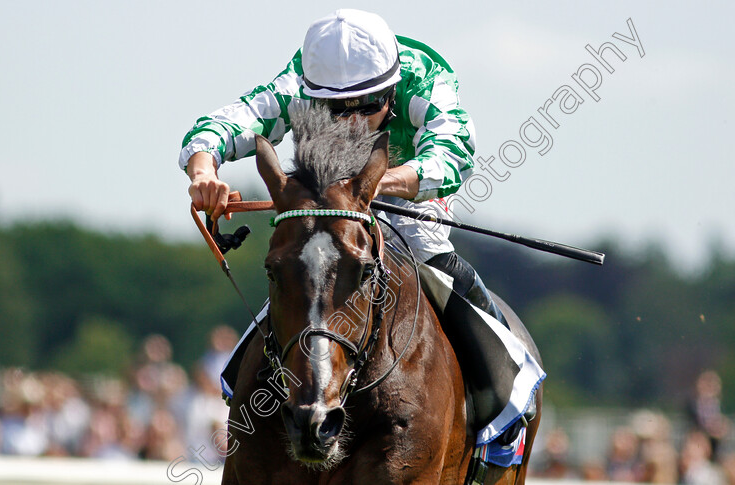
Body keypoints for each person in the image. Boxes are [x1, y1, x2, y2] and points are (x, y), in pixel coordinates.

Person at [180, 8, 545, 464]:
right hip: (329, 211)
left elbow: (455, 151)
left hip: (409, 205)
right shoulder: (299, 81)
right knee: (302, 273)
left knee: (437, 262)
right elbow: (220, 126)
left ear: (391, 88)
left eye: (369, 107)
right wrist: (204, 172)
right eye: (337, 111)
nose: (354, 123)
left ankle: (504, 406)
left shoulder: (424, 73)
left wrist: (373, 186)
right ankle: (245, 393)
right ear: (314, 94)